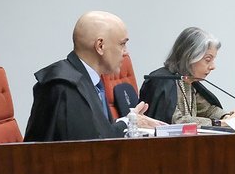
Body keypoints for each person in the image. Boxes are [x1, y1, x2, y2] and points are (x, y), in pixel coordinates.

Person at [25, 10, 157, 141]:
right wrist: (129, 123)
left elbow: (99, 132)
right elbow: (88, 146)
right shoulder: (66, 87)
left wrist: (129, 122)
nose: (126, 52)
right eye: (122, 44)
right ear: (100, 46)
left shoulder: (91, 81)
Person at [140, 26, 235, 128]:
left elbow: (208, 110)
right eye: (208, 60)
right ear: (189, 57)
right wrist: (221, 123)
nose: (213, 67)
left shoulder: (188, 81)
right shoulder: (163, 82)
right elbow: (175, 122)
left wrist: (229, 116)